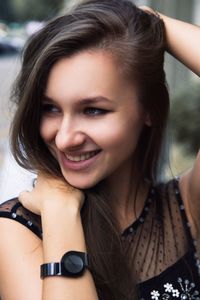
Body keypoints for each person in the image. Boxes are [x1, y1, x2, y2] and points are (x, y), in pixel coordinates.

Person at [0, 0, 199, 299]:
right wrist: (60, 215)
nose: (65, 139)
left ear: (150, 109)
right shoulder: (16, 232)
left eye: (93, 110)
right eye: (50, 108)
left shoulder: (188, 209)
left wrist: (150, 21)